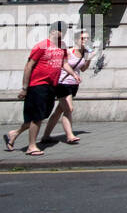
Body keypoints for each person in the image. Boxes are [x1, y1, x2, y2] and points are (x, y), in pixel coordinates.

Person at [5, 22, 79, 157]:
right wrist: (24, 88)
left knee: (43, 115)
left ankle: (14, 133)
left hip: (52, 85)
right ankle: (31, 146)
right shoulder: (41, 46)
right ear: (53, 31)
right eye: (60, 30)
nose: (63, 33)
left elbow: (64, 63)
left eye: (64, 31)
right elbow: (29, 66)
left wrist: (73, 74)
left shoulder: (62, 47)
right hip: (38, 85)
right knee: (37, 117)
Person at [41, 29, 94, 145]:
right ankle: (70, 136)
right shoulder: (69, 52)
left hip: (73, 85)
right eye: (83, 38)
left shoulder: (85, 53)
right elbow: (61, 65)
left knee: (59, 111)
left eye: (87, 38)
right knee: (68, 109)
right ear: (76, 40)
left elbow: (83, 69)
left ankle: (45, 136)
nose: (86, 40)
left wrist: (89, 58)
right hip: (62, 83)